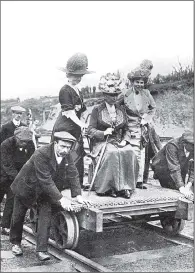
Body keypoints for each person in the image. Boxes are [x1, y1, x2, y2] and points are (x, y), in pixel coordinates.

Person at [9, 131, 90, 261]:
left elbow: (73, 173)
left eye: (68, 147)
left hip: (44, 191)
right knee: (18, 217)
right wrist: (61, 198)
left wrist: (78, 196)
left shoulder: (68, 154)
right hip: (26, 187)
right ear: (55, 143)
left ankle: (41, 250)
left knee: (45, 217)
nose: (65, 150)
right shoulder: (41, 153)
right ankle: (15, 243)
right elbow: (45, 179)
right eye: (62, 146)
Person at [87, 73, 139, 199]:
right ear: (105, 95)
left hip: (118, 142)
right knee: (112, 154)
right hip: (101, 143)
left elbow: (126, 129)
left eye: (116, 95)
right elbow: (90, 130)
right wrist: (103, 133)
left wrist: (125, 141)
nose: (114, 97)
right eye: (111, 95)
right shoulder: (97, 110)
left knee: (130, 152)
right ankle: (108, 188)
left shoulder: (121, 109)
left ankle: (126, 188)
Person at [52, 52, 94, 188]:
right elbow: (69, 112)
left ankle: (76, 183)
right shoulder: (65, 90)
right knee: (64, 153)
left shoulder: (77, 90)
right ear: (68, 75)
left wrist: (88, 122)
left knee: (77, 154)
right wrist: (81, 124)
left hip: (75, 128)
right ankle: (61, 184)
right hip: (65, 127)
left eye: (80, 76)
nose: (78, 79)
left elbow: (82, 110)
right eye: (76, 76)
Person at [118, 60, 158, 188]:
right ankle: (128, 181)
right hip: (128, 128)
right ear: (132, 82)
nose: (140, 84)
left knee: (140, 154)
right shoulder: (125, 94)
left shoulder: (146, 93)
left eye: (142, 82)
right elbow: (117, 107)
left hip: (142, 129)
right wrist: (121, 120)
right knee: (130, 154)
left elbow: (153, 107)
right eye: (137, 82)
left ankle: (138, 181)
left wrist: (147, 118)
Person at [0, 127, 35, 235]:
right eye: (22, 141)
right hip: (3, 175)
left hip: (17, 177)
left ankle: (5, 226)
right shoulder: (6, 144)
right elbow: (7, 165)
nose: (24, 144)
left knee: (12, 200)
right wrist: (19, 178)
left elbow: (32, 160)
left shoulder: (30, 144)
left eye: (26, 141)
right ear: (16, 137)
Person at [151, 130, 194, 201]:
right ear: (184, 143)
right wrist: (182, 188)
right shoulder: (172, 145)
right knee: (171, 192)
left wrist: (188, 185)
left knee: (181, 189)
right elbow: (174, 167)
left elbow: (193, 168)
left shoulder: (191, 147)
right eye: (193, 146)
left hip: (179, 166)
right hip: (163, 168)